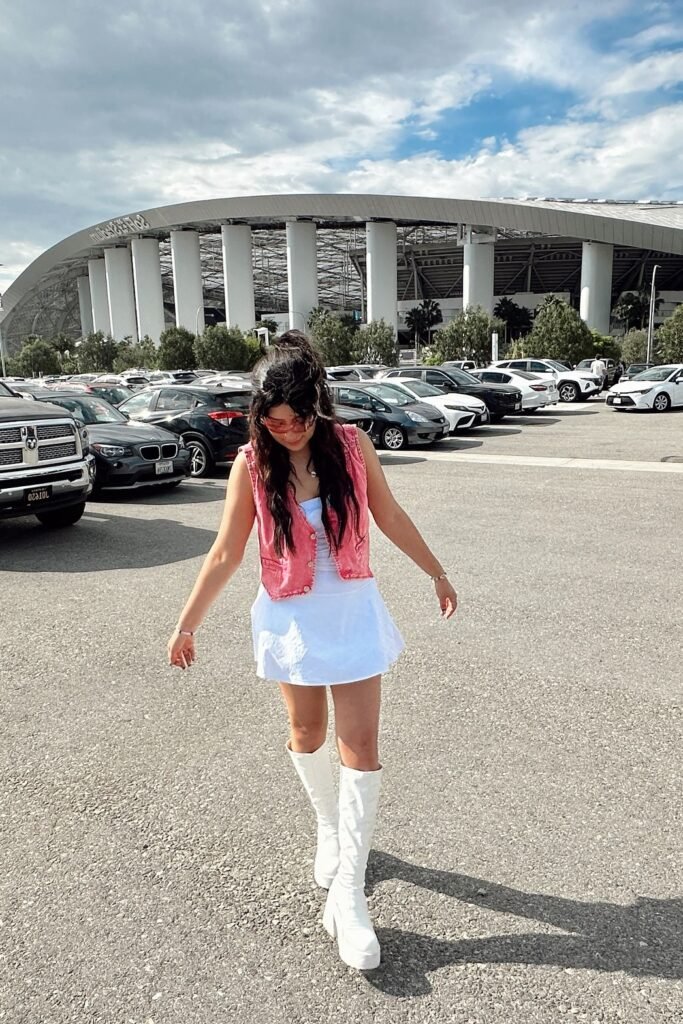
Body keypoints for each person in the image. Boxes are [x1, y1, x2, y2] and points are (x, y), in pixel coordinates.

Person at [167, 331, 458, 972]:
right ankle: (328, 825)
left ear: (317, 405)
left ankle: (349, 894)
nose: (289, 431)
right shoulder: (252, 463)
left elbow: (389, 515)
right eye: (274, 422)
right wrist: (188, 624)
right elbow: (226, 551)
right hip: (291, 616)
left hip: (351, 610)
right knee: (307, 733)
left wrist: (436, 572)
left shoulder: (352, 445)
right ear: (259, 417)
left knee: (361, 745)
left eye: (298, 419)